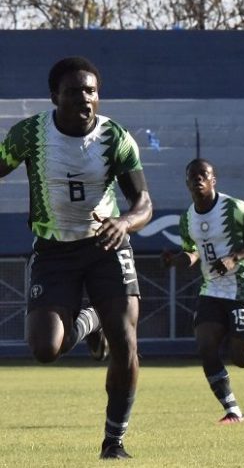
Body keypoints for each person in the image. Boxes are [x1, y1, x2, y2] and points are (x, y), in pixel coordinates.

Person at [0, 56, 153, 460]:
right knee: (45, 348)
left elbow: (143, 202)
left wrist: (126, 222)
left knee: (125, 342)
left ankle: (113, 441)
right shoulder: (29, 134)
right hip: (53, 252)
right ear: (55, 97)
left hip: (105, 245)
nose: (84, 98)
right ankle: (91, 318)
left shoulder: (116, 139)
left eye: (91, 91)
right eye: (74, 92)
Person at [161, 158, 244, 424]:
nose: (198, 179)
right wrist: (177, 260)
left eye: (203, 174)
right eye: (192, 176)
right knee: (206, 347)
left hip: (242, 287)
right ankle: (233, 410)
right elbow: (193, 252)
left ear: (213, 180)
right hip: (211, 289)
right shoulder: (187, 219)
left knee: (243, 359)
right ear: (186, 182)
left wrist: (236, 256)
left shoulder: (233, 207)